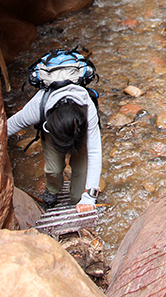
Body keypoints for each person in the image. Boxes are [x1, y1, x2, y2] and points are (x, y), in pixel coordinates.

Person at [7, 84, 101, 213]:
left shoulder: (88, 111)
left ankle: (76, 197)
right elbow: (8, 127)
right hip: (53, 133)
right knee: (53, 170)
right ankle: (52, 189)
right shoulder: (37, 106)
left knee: (79, 180)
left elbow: (94, 152)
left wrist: (89, 196)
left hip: (79, 134)